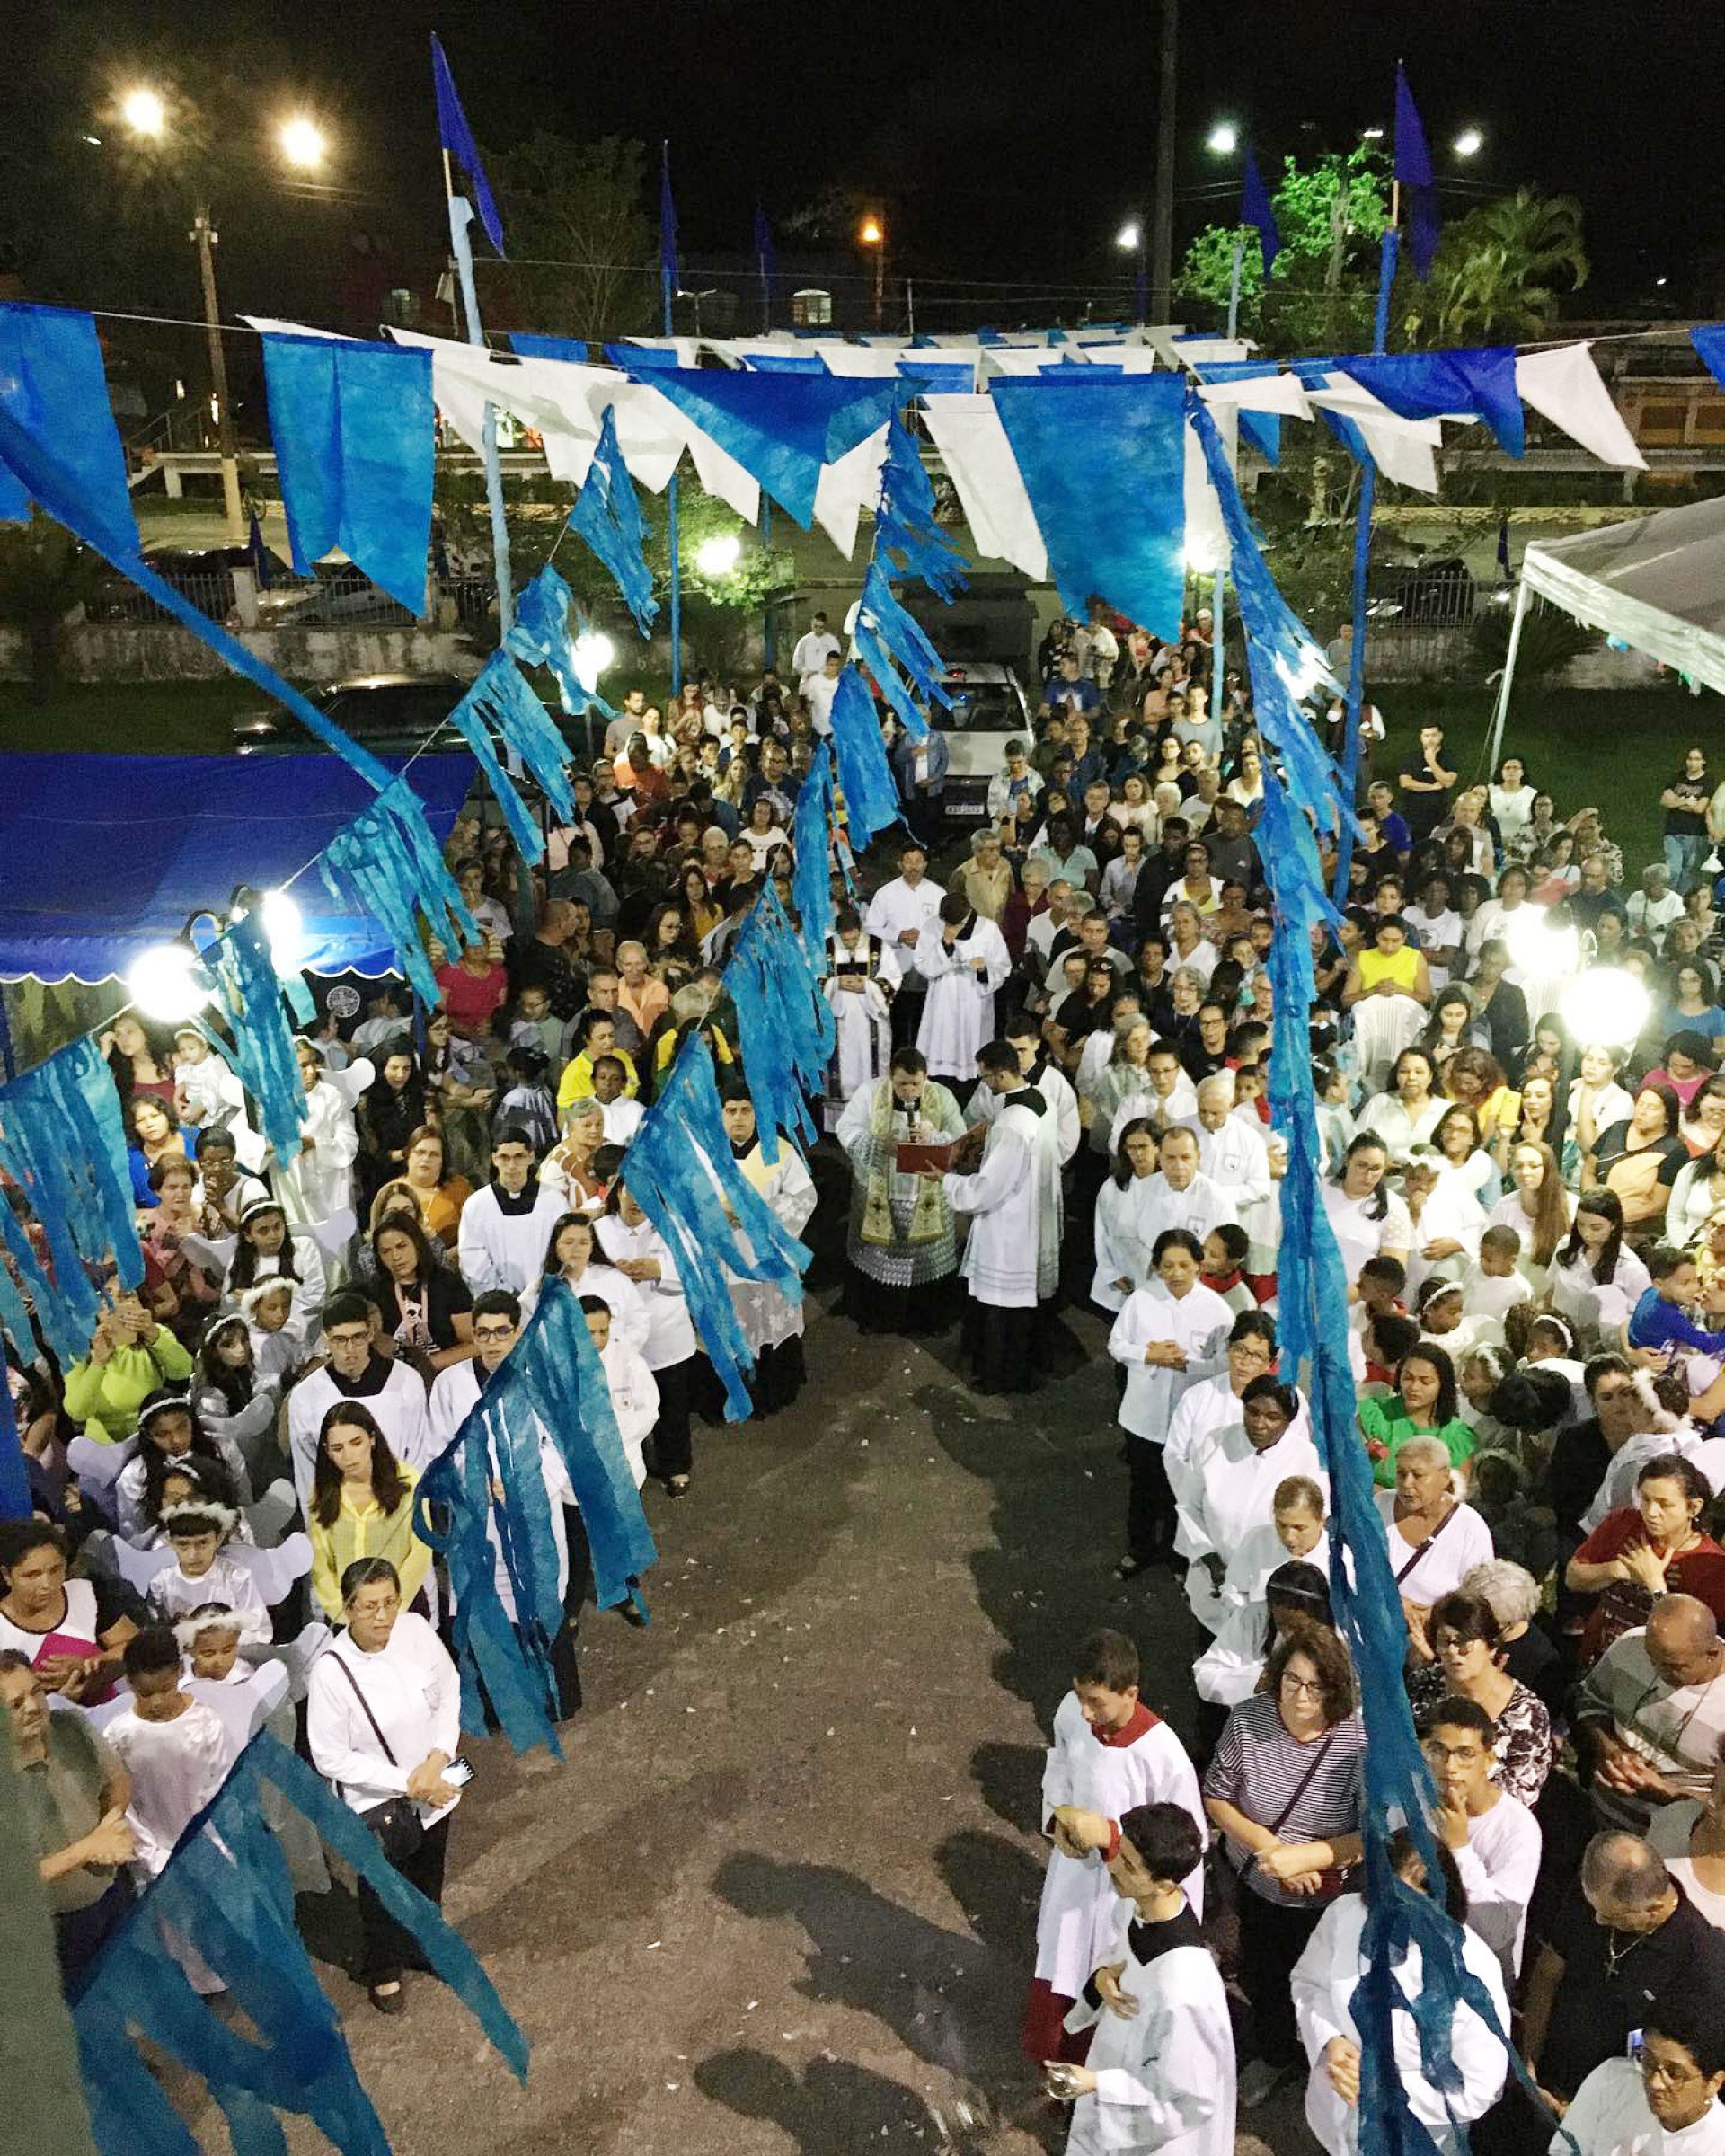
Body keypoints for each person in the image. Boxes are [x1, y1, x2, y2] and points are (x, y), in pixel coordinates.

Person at [1023, 1629, 1206, 2063]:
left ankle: (1094, 2083)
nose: (1086, 1712)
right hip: (1073, 1878)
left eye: (1097, 1702)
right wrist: (1057, 1820)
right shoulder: (1071, 1712)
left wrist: (1111, 1835)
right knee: (1059, 1978)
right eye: (1079, 1697)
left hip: (1122, 1895)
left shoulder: (1164, 1756)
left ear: (1130, 1694)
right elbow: (1060, 1765)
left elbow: (1186, 1844)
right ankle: (1055, 2070)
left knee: (1111, 1993)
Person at [1202, 1626, 1367, 2107]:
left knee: (1319, 1985)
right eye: (1292, 1680)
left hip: (1323, 1898)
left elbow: (1370, 1834)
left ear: (1335, 1689)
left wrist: (1305, 1858)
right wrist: (1271, 1850)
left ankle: (1322, 2063)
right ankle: (1275, 2055)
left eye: (1316, 1685)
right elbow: (1217, 1796)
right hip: (1252, 1878)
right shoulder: (1248, 1720)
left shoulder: (1358, 1742)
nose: (1300, 1695)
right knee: (1263, 1977)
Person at [306, 1557, 465, 2013]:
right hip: (381, 1802)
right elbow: (330, 1755)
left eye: (390, 1602)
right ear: (348, 1609)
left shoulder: (415, 1629)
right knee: (382, 1889)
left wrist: (439, 1756)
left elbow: (449, 1689)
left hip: (436, 1784)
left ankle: (423, 1945)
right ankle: (384, 1968)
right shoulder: (331, 1672)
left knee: (428, 1873)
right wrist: (410, 1783)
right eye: (369, 1606)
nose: (383, 1616)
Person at [1291, 1827, 1509, 2156]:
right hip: (1334, 2118)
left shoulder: (1474, 1971)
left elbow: (1481, 2084)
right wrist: (1330, 2040)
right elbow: (1310, 1983)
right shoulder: (1346, 1914)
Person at [1043, 1802, 1235, 2156]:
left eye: (1130, 1866)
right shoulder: (1146, 1910)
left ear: (1164, 1884)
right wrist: (1102, 1978)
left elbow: (1190, 2096)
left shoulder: (1186, 1986)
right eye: (1120, 1852)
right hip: (1117, 2066)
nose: (1113, 1865)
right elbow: (1120, 1955)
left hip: (1152, 2136)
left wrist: (1098, 2083)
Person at [1522, 1832, 1725, 2109]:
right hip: (1544, 2082)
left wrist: (1588, 2115)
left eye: (1611, 1916)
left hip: (1614, 2110)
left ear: (1652, 1910)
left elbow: (1679, 2068)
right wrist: (1529, 2062)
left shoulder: (1701, 1961)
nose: (1597, 1920)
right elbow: (1548, 1975)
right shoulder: (1597, 1894)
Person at [0, 1650, 137, 1993]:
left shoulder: (71, 1727)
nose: (33, 1707)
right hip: (56, 1928)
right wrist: (87, 1849)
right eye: (16, 1704)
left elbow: (117, 1780)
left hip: (115, 1892)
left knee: (136, 1984)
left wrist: (111, 1825)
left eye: (36, 1691)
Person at [1110, 1230, 1234, 1580]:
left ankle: (1178, 1556)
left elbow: (1223, 1364)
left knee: (1181, 1493)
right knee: (1143, 1487)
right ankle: (1139, 1549)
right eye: (1167, 1266)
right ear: (1156, 1267)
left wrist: (1185, 1365)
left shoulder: (1218, 1311)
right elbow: (1117, 1345)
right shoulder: (1141, 1301)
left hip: (1189, 1420)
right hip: (1143, 1415)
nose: (1176, 1273)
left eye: (1183, 1265)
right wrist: (1148, 1355)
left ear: (1198, 1265)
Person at [945, 1040, 1061, 1395]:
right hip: (1033, 1211)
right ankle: (1019, 1370)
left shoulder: (1013, 1122)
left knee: (1000, 1307)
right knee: (1019, 1309)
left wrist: (947, 1182)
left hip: (1008, 1223)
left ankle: (1000, 1377)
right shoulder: (1040, 1100)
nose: (984, 1084)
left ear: (1000, 1074)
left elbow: (990, 1187)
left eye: (986, 1078)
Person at [1173, 1377, 1328, 1634]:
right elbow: (1189, 1505)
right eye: (1252, 1412)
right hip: (1213, 1577)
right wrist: (1208, 1556)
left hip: (1266, 1586)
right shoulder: (1215, 1443)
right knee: (1210, 1641)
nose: (1259, 1423)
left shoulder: (1305, 1458)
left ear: (1289, 1421)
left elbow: (1311, 1525)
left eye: (1272, 1417)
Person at [835, 1049, 967, 1335]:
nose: (908, 1091)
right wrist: (878, 1143)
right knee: (879, 1258)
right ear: (890, 1077)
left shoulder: (942, 1096)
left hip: (924, 1192)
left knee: (926, 1262)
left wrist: (934, 1138)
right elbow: (846, 1128)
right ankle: (877, 1317)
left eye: (915, 1084)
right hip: (881, 1190)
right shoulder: (870, 1093)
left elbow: (959, 1137)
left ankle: (926, 1321)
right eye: (901, 1084)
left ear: (926, 1077)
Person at [1419, 1692, 1543, 1985]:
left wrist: (1459, 1848)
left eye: (1465, 1754)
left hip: (1478, 1977)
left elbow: (1497, 1933)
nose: (1450, 1767)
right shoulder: (1410, 1800)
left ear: (1488, 1760)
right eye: (1438, 1750)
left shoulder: (1518, 1829)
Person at [1575, 1595, 1725, 1836]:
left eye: (1674, 1666)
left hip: (1674, 1845)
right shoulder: (1630, 1645)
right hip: (1600, 1823)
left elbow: (1722, 1807)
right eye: (1652, 1659)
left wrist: (1665, 1791)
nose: (1659, 1671)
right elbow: (1591, 1701)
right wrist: (1610, 1749)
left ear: (1712, 1654)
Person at [102, 1625, 234, 1881]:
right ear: (129, 1683)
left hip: (210, 1855)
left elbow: (221, 1792)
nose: (157, 1702)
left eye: (165, 1689)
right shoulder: (118, 1736)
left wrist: (214, 1850)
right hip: (152, 1867)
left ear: (180, 1671)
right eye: (146, 1693)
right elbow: (123, 1807)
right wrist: (154, 1858)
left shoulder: (206, 1723)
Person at [1568, 1454, 1725, 1667]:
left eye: (1664, 1505)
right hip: (1596, 1660)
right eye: (1646, 1500)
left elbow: (1689, 1643)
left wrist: (1654, 1583)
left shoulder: (1711, 1567)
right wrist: (1619, 1570)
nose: (1651, 1513)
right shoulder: (1623, 1522)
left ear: (1693, 1508)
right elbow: (1573, 1577)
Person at [716, 1089, 818, 1417]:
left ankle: (774, 1389)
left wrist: (757, 1214)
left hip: (768, 1260)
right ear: (720, 1114)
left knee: (770, 1325)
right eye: (731, 1110)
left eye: (746, 1110)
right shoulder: (706, 1154)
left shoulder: (779, 1153)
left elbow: (805, 1197)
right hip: (727, 1262)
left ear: (757, 1114)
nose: (738, 1118)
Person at [597, 1182, 701, 1498]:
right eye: (630, 1191)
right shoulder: (599, 1230)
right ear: (617, 1192)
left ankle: (675, 1465)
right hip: (619, 1339)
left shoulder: (674, 1228)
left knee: (672, 1406)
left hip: (666, 1335)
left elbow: (698, 1271)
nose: (637, 1201)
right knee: (624, 1404)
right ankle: (633, 1466)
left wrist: (660, 1270)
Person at [1407, 1589, 1554, 1807]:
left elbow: (1519, 1798)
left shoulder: (1528, 1715)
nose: (1453, 1652)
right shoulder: (1422, 1685)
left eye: (1464, 1642)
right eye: (1444, 1642)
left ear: (1491, 1647)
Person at [285, 1291, 430, 1509]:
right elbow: (307, 1473)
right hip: (337, 1515)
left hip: (398, 1508)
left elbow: (419, 1456)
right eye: (340, 1340)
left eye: (357, 1337)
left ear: (370, 1333)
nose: (350, 1349)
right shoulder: (306, 1396)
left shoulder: (406, 1382)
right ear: (326, 1339)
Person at [309, 1402, 431, 1622]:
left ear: (372, 1439)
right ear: (327, 1451)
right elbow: (321, 1566)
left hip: (403, 1611)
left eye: (356, 1443)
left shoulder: (409, 1482)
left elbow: (420, 1551)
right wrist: (345, 1615)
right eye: (337, 1448)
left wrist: (392, 1608)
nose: (348, 1455)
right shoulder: (323, 1492)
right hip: (347, 1616)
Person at [1376, 1436, 1495, 1662]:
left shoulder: (1470, 1527)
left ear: (1444, 1476)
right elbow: (1355, 1567)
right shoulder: (1379, 1507)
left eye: (1418, 1475)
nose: (1407, 1484)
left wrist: (1433, 1615)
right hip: (1377, 1635)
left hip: (1436, 1645)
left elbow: (1477, 1598)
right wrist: (1395, 1603)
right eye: (1401, 1474)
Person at [0, 1517, 140, 1701]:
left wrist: (88, 1666)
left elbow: (134, 1646)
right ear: (7, 1575)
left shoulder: (87, 1594)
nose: (47, 1584)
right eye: (32, 1575)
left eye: (55, 1570)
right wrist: (58, 1704)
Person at [1560, 2010, 1725, 2155]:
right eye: (1648, 2062)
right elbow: (1564, 2150)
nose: (1655, 2083)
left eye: (1673, 2073)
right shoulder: (1612, 2081)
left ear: (1713, 2083)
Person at [457, 1127, 568, 1294]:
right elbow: (472, 1260)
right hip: (497, 1302)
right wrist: (505, 1294)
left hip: (547, 1295)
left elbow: (565, 1249)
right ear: (494, 1159)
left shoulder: (554, 1201)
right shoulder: (476, 1206)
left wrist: (541, 1290)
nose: (512, 1166)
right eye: (504, 1157)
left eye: (519, 1157)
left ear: (531, 1157)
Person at [916, 893, 1010, 1085]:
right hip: (942, 999)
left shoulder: (988, 929)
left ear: (968, 912)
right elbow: (923, 965)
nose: (952, 927)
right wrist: (945, 943)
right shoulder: (932, 926)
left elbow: (1002, 967)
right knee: (941, 1051)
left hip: (974, 999)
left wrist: (983, 969)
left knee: (973, 1055)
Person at [369, 1211, 476, 1374]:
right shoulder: (373, 1291)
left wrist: (428, 1364)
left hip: (448, 1373)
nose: (396, 1256)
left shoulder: (447, 1283)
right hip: (397, 1377)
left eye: (401, 1246)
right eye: (386, 1251)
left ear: (417, 1243)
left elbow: (473, 1344)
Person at [864, 841, 943, 1047]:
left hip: (927, 970)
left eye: (918, 861)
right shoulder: (885, 894)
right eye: (908, 861)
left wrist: (924, 938)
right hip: (895, 969)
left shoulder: (937, 894)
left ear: (925, 864)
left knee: (924, 1025)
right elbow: (871, 928)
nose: (913, 866)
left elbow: (946, 929)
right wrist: (898, 935)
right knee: (897, 1025)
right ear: (900, 864)